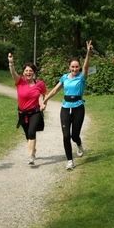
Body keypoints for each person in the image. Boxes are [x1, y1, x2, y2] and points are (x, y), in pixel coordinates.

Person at [41, 40, 92, 170]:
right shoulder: (64, 77)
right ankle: (70, 160)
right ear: (69, 67)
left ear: (79, 67)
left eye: (77, 67)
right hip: (65, 108)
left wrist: (88, 53)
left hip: (78, 108)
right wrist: (45, 100)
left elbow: (86, 67)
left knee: (74, 135)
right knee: (65, 135)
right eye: (72, 66)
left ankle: (79, 143)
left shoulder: (82, 77)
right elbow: (55, 90)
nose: (75, 69)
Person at [8, 53, 46, 165]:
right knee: (27, 135)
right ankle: (33, 150)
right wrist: (11, 63)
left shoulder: (40, 84)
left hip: (35, 111)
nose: (28, 73)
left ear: (34, 72)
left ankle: (31, 156)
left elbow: (45, 94)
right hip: (23, 113)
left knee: (31, 131)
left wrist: (44, 103)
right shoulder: (20, 81)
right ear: (23, 72)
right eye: (26, 71)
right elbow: (13, 73)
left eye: (30, 71)